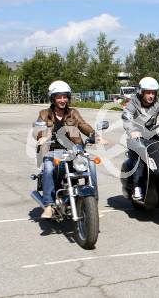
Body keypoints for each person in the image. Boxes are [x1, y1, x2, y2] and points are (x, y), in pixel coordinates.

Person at [36, 80, 107, 218]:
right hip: (52, 150)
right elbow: (39, 128)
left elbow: (83, 125)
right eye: (59, 97)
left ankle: (93, 203)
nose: (63, 100)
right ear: (52, 98)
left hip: (74, 149)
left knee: (91, 165)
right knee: (49, 168)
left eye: (65, 96)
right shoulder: (44, 114)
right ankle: (49, 205)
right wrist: (42, 136)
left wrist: (96, 136)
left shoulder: (73, 113)